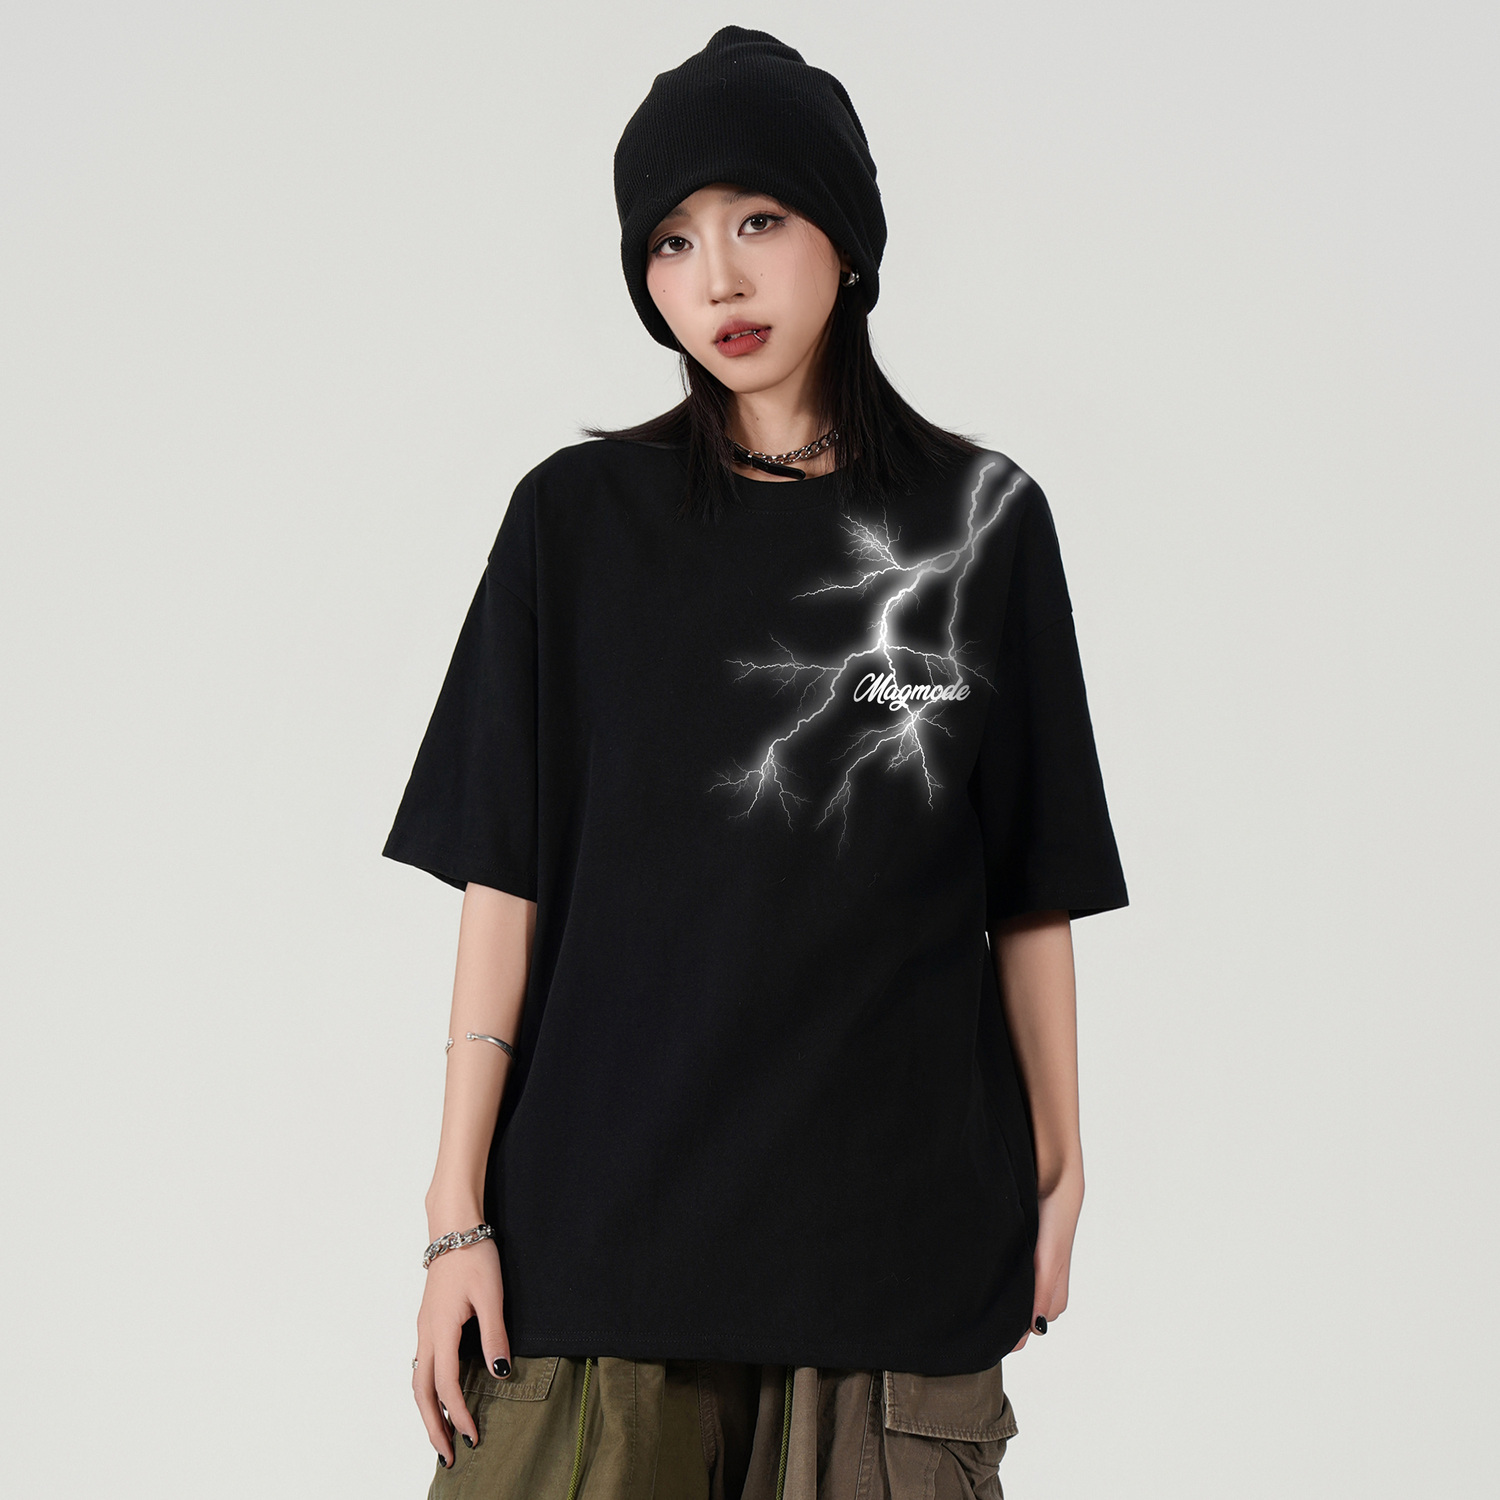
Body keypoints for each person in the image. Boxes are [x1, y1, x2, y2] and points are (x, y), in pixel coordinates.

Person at [382, 25, 1127, 1500]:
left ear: (844, 237)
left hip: (894, 1262)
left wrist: (1061, 1170)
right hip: (602, 1258)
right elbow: (504, 880)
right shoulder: (576, 526)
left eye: (758, 221)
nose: (716, 279)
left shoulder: (982, 524)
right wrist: (455, 1214)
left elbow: (1028, 889)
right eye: (671, 242)